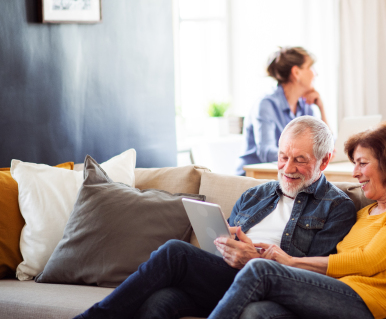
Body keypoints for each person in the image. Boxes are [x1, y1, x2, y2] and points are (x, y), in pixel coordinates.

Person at [74, 116, 356, 319]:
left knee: (175, 252)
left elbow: (312, 276)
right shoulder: (255, 195)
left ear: (325, 160)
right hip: (224, 278)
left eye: (300, 160)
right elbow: (223, 240)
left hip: (271, 285)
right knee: (160, 301)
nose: (287, 168)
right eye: (283, 157)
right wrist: (226, 246)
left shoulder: (337, 207)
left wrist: (254, 258)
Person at [206, 121, 386, 319]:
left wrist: (290, 262)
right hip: (334, 294)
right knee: (257, 312)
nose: (355, 173)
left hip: (372, 305)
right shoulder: (364, 214)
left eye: (362, 163)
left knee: (261, 269)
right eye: (354, 164)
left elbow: (369, 262)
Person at [236, 47, 330, 175]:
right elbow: (266, 152)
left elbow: (328, 146)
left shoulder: (305, 106)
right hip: (254, 178)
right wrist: (304, 157)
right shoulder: (266, 104)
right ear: (297, 72)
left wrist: (321, 108)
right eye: (311, 67)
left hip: (288, 176)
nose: (315, 73)